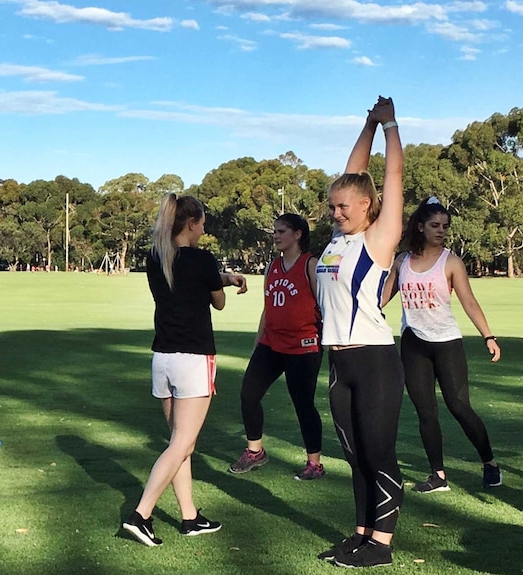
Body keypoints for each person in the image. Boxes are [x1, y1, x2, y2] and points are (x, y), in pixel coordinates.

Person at [121, 193, 247, 546]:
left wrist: (228, 276)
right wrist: (223, 283)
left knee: (180, 443)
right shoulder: (202, 259)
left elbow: (196, 279)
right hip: (194, 358)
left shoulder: (156, 256)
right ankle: (141, 514)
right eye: (202, 223)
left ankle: (189, 517)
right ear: (191, 224)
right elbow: (217, 303)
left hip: (163, 357)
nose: (204, 228)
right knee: (182, 443)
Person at [314, 96, 404, 569]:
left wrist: (389, 125)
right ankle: (362, 534)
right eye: (332, 207)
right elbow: (354, 175)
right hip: (340, 363)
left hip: (374, 362)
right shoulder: (337, 241)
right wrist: (365, 124)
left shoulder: (378, 238)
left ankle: (382, 547)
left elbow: (390, 179)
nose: (335, 212)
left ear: (368, 207)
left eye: (343, 207)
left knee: (378, 453)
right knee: (354, 455)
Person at [382, 197, 502, 494]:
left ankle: (489, 462)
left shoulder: (451, 262)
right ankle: (438, 475)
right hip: (413, 342)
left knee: (459, 406)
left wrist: (489, 336)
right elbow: (382, 297)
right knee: (426, 411)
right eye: (435, 225)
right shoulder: (402, 261)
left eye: (445, 226)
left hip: (446, 342)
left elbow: (469, 302)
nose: (441, 231)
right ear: (420, 226)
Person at [229, 213, 325, 480]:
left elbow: (325, 307)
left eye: (282, 231)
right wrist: (257, 342)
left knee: (303, 404)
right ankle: (255, 451)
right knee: (248, 394)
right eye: (275, 231)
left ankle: (315, 463)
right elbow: (268, 308)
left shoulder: (311, 265)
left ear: (298, 234)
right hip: (271, 344)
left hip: (303, 346)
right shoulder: (272, 267)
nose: (276, 236)